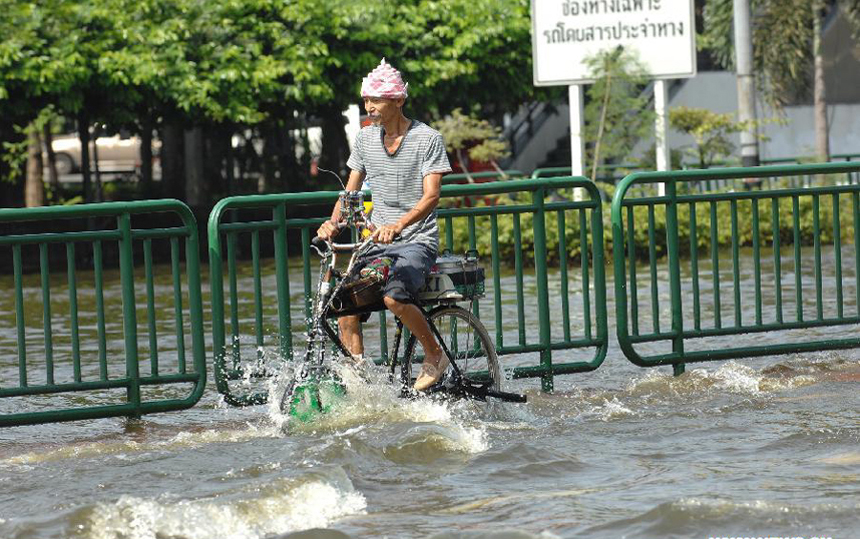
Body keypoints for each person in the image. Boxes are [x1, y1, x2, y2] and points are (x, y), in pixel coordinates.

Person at [316, 58, 452, 391]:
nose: (369, 107)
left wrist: (399, 225)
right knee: (343, 302)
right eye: (366, 100)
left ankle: (435, 354)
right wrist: (333, 223)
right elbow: (350, 194)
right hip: (376, 242)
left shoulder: (427, 139)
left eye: (375, 100)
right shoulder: (365, 140)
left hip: (416, 241)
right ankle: (360, 380)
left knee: (395, 298)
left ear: (398, 101)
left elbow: (431, 196)